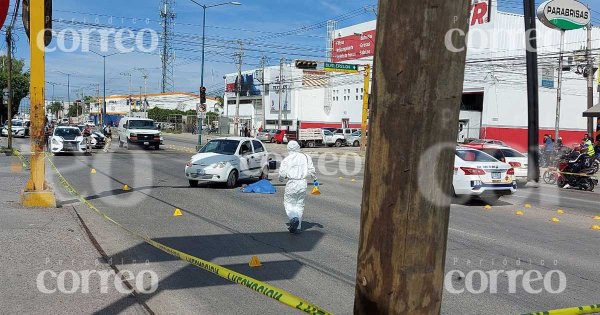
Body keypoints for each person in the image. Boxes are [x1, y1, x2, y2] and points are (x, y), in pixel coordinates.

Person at [278, 141, 318, 233]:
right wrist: (315, 180)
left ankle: (293, 218)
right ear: (298, 147)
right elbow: (312, 171)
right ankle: (298, 226)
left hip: (292, 183)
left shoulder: (287, 159)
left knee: (289, 202)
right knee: (299, 204)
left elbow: (282, 174)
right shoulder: (306, 157)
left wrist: (281, 179)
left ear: (288, 148)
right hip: (303, 183)